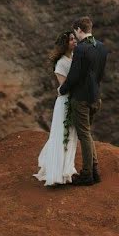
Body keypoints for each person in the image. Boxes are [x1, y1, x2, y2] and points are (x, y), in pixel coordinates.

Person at [57, 16, 107, 186]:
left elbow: (74, 76)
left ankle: (87, 175)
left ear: (79, 30)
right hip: (95, 97)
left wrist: (62, 90)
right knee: (87, 133)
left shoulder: (81, 49)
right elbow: (99, 75)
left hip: (81, 99)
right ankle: (95, 171)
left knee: (83, 135)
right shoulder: (101, 47)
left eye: (75, 32)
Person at [33, 31, 79, 186]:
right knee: (62, 134)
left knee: (71, 134)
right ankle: (57, 172)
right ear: (65, 44)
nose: (74, 41)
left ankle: (67, 170)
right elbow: (64, 87)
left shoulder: (74, 58)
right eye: (71, 39)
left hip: (73, 100)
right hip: (65, 103)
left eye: (74, 38)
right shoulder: (61, 63)